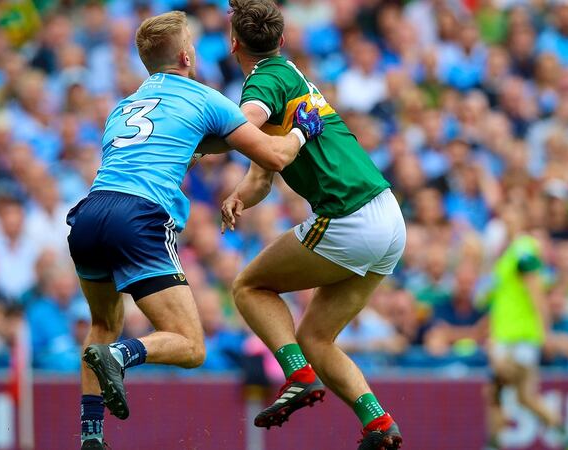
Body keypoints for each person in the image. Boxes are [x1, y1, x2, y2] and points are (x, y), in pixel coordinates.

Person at [66, 11, 325, 450]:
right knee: (190, 345)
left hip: (90, 213)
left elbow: (189, 147)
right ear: (188, 55)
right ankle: (123, 355)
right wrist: (303, 128)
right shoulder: (205, 98)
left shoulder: (123, 106)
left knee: (102, 322)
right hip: (140, 216)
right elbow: (275, 157)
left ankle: (92, 433)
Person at [221, 1, 406, 448]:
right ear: (282, 40)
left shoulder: (264, 80)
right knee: (316, 335)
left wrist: (198, 140)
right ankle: (377, 423)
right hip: (389, 218)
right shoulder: (291, 75)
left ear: (233, 44)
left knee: (248, 287)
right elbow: (264, 174)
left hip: (349, 215)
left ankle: (298, 375)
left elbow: (247, 123)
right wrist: (240, 196)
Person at [484, 223, 568, 450]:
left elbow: (536, 294)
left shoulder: (524, 247)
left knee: (494, 388)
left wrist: (546, 333)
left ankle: (494, 443)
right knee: (526, 397)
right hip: (511, 336)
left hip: (518, 339)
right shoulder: (511, 257)